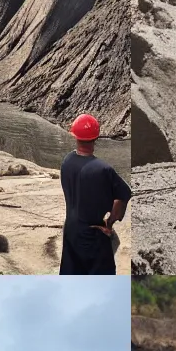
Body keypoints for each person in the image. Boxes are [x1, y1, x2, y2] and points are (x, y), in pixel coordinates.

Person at [59, 114, 129, 274]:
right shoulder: (103, 169)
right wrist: (109, 223)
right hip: (94, 235)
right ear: (96, 137)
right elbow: (123, 195)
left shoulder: (67, 160)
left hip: (71, 229)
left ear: (75, 136)